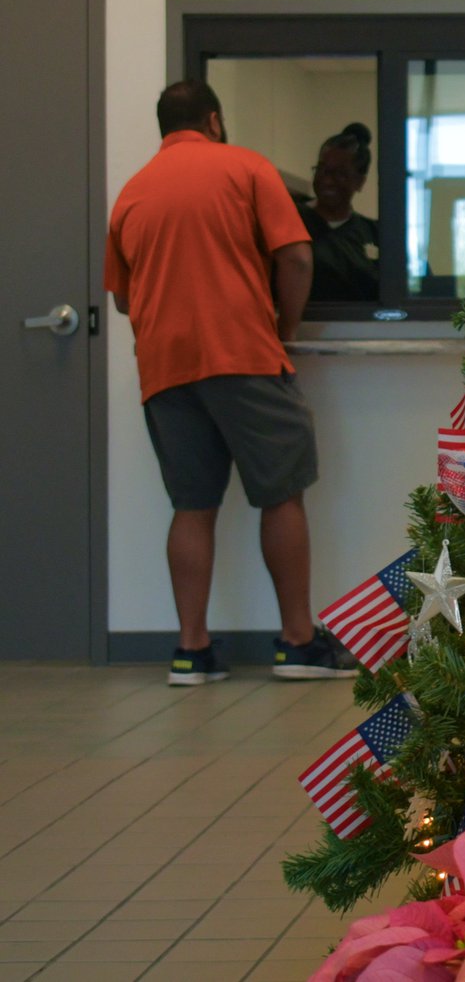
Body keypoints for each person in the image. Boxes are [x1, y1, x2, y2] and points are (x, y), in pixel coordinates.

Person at [105, 80, 355, 686]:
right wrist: (282, 328)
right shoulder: (245, 168)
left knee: (191, 504)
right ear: (215, 120)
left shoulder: (131, 194)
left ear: (164, 127)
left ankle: (192, 652)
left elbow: (121, 299)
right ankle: (297, 642)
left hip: (165, 368)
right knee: (281, 492)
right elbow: (296, 257)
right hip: (242, 353)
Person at [299, 122, 381, 303]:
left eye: (340, 174)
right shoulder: (292, 222)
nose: (327, 181)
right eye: (322, 170)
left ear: (360, 181)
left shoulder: (374, 234)